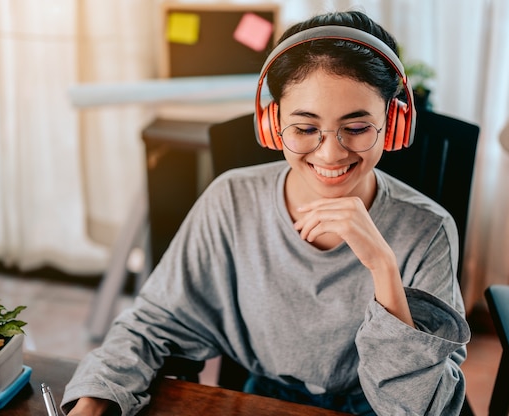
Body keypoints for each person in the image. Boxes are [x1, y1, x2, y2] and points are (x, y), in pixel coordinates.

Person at [62, 9, 470, 416]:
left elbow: (427, 409)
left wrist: (384, 268)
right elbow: (153, 322)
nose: (331, 153)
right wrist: (95, 400)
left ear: (394, 122)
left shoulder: (428, 229)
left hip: (373, 405)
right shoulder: (231, 199)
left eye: (358, 128)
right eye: (306, 128)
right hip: (263, 399)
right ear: (272, 124)